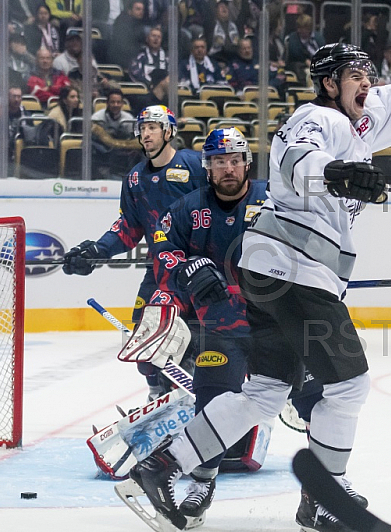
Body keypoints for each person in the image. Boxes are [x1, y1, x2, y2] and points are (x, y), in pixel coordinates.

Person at [120, 11, 391, 532]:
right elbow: (293, 158)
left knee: (264, 392)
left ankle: (162, 466)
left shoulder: (363, 120)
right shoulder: (317, 117)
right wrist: (338, 172)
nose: (368, 83)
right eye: (356, 76)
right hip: (292, 269)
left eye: (370, 74)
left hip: (275, 274)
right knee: (348, 387)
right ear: (330, 83)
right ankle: (322, 498)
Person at [144, 127, 267, 527]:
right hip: (221, 325)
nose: (227, 168)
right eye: (217, 162)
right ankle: (203, 479)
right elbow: (162, 250)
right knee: (212, 403)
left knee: (314, 400)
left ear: (247, 163)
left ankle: (319, 492)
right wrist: (186, 268)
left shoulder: (273, 200)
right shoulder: (186, 208)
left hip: (278, 323)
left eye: (233, 160)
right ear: (207, 167)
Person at [62, 105, 208, 401]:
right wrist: (95, 251)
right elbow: (128, 227)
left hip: (202, 270)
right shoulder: (134, 179)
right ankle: (157, 397)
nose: (145, 133)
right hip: (160, 271)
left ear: (169, 131)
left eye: (152, 127)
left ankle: (201, 389)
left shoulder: (194, 165)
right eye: (142, 128)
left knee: (202, 341)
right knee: (145, 342)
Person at [91, 88, 138, 178]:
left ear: (122, 104)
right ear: (107, 103)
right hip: (102, 153)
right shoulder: (97, 118)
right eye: (112, 102)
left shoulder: (129, 118)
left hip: (123, 154)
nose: (115, 105)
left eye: (118, 102)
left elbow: (132, 139)